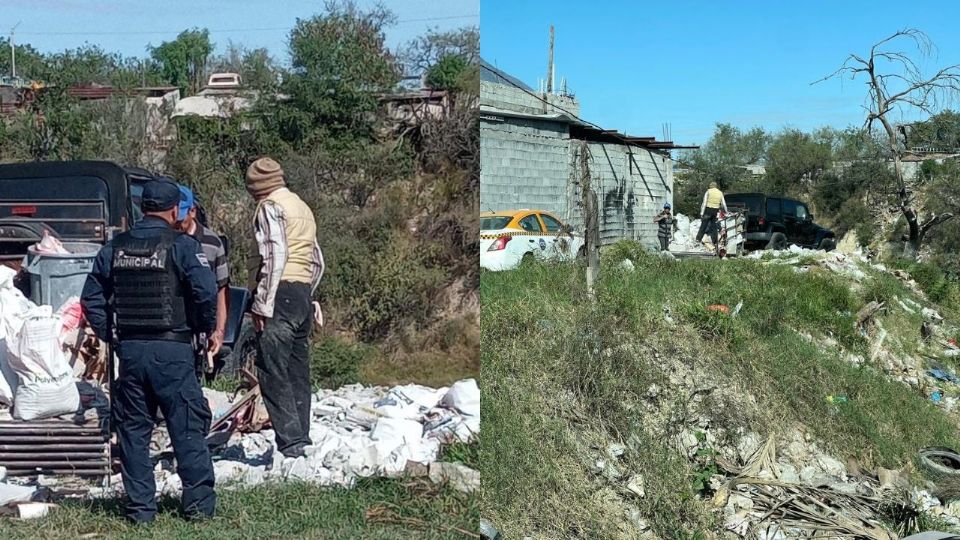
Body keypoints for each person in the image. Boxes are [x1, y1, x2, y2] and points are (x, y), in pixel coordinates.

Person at [81, 179, 218, 524]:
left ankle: (141, 511)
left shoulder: (115, 247)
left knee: (133, 432)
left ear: (143, 209)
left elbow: (91, 297)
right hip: (172, 349)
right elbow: (205, 293)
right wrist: (203, 329)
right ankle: (199, 509)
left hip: (130, 351)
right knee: (186, 426)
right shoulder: (183, 246)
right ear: (175, 211)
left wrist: (109, 333)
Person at [245, 157, 324, 458]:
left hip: (278, 293)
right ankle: (301, 437)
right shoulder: (301, 206)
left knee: (271, 367)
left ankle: (290, 443)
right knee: (297, 369)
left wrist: (262, 303)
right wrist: (308, 294)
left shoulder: (269, 207)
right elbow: (316, 259)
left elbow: (275, 254)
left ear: (258, 188)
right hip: (301, 292)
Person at [177, 185, 230, 360]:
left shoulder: (212, 243)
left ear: (192, 212)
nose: (177, 223)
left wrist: (219, 331)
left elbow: (221, 289)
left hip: (200, 329)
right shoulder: (166, 240)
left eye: (181, 218)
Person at [696, 181, 728, 251]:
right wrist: (726, 211)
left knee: (703, 226)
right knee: (714, 227)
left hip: (708, 210)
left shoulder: (708, 191)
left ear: (710, 186)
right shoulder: (720, 192)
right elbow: (724, 204)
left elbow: (704, 203)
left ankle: (698, 239)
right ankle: (715, 241)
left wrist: (701, 213)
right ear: (716, 186)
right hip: (715, 211)